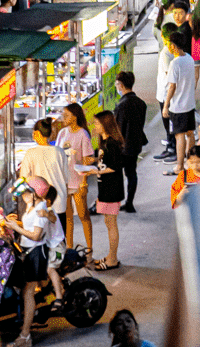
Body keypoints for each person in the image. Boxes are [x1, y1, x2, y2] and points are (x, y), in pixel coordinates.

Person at [3, 178, 52, 347]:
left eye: (25, 194)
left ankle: (25, 336)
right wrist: (15, 222)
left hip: (36, 254)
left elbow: (36, 235)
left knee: (28, 292)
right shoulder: (33, 206)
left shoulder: (40, 209)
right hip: (26, 251)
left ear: (35, 193)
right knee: (23, 289)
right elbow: (30, 227)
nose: (23, 197)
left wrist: (16, 227)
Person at [56, 101, 94, 254]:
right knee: (68, 217)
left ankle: (89, 248)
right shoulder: (62, 133)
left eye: (66, 115)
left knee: (83, 214)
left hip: (78, 182)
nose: (63, 117)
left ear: (75, 117)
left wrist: (84, 183)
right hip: (64, 181)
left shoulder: (83, 134)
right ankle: (69, 249)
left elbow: (86, 160)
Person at [18, 118, 68, 229]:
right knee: (59, 238)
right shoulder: (59, 152)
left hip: (40, 205)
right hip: (59, 202)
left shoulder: (31, 153)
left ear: (36, 133)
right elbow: (66, 179)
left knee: (41, 239)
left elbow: (23, 179)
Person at [91, 109, 125, 270]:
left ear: (105, 124)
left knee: (111, 224)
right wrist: (95, 160)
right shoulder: (104, 143)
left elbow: (116, 166)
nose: (95, 126)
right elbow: (106, 161)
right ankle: (110, 256)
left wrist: (95, 171)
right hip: (105, 188)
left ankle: (112, 260)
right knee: (108, 222)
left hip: (112, 189)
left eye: (97, 123)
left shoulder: (112, 143)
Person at [162, 32, 197, 178]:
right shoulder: (189, 58)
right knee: (190, 134)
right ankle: (193, 163)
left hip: (178, 106)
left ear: (173, 46)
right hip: (189, 103)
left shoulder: (175, 63)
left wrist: (166, 105)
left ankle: (180, 166)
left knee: (179, 136)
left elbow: (172, 87)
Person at [114, 72, 147, 214]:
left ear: (121, 85)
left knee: (115, 174)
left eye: (117, 85)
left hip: (123, 147)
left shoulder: (121, 105)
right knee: (132, 173)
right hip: (135, 144)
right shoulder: (141, 103)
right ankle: (129, 202)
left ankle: (114, 202)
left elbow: (118, 128)